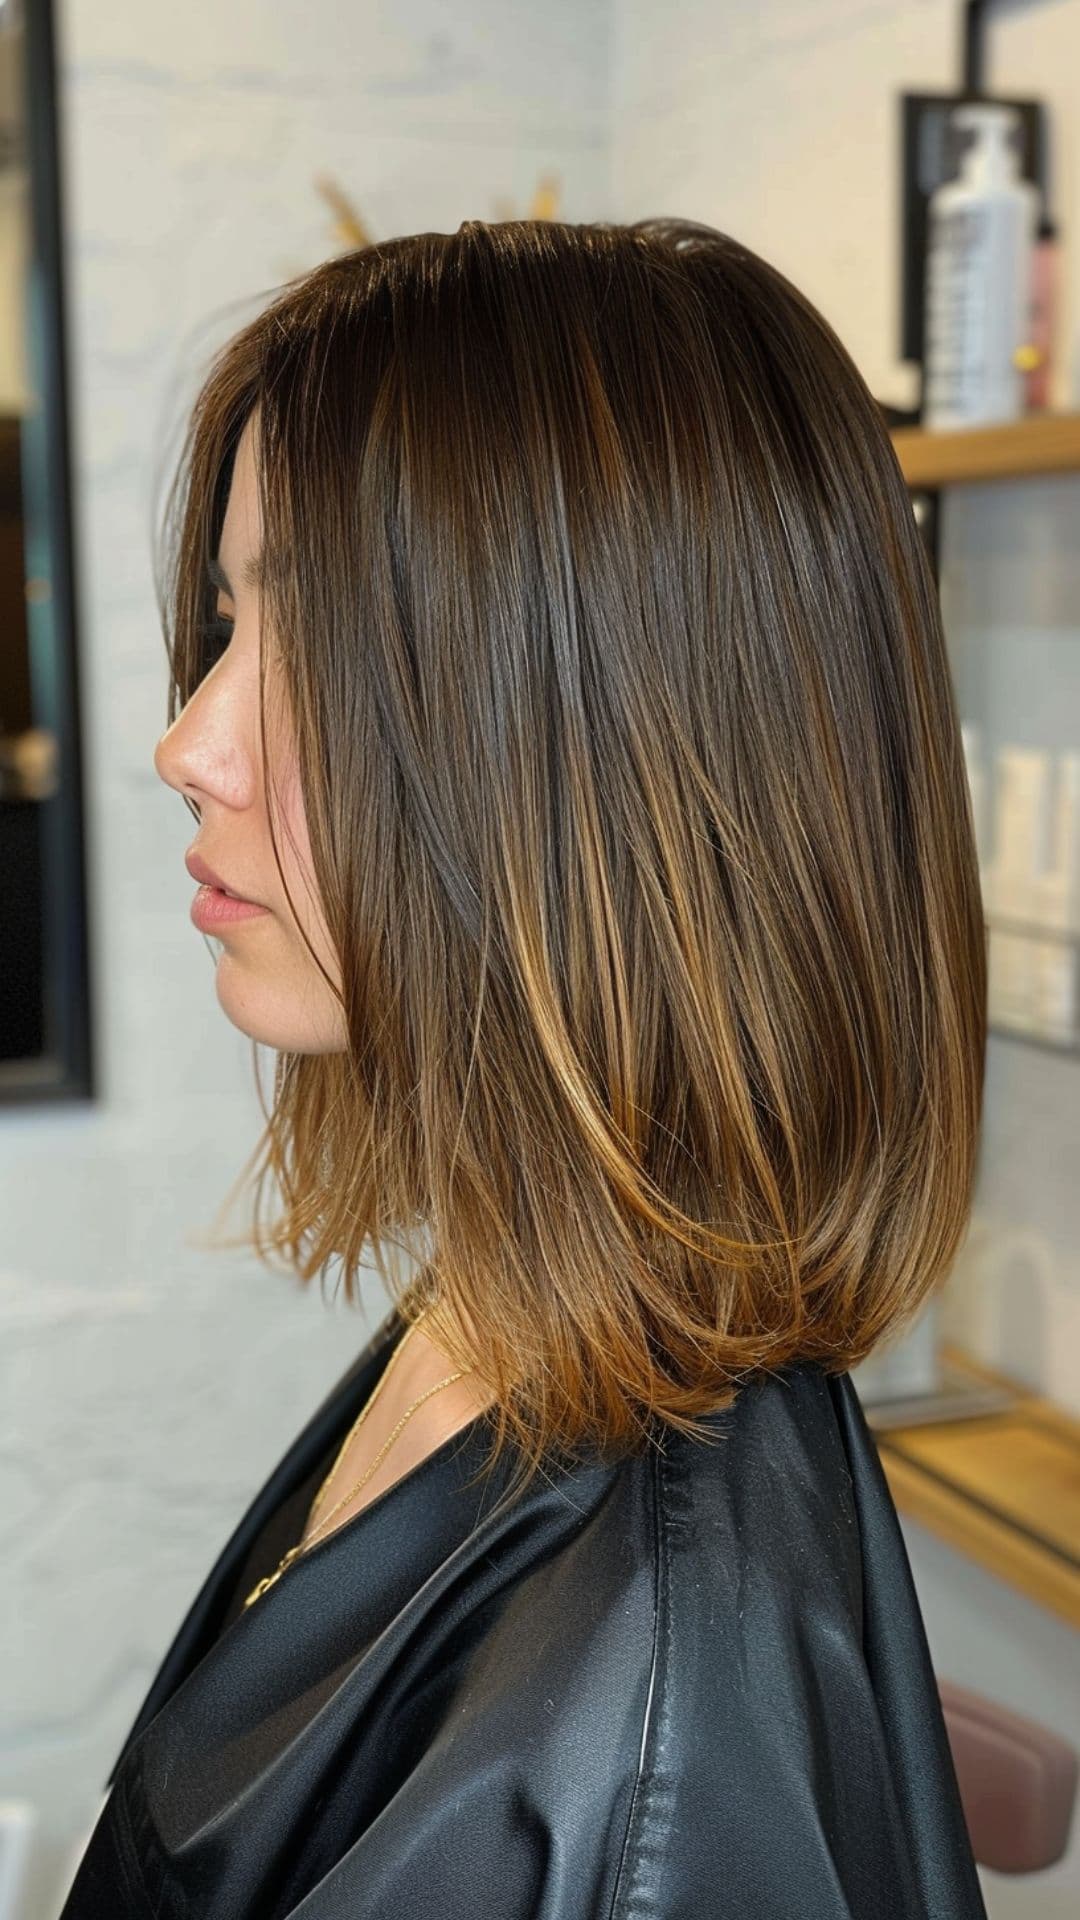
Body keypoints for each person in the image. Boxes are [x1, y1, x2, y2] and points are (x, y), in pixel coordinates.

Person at [58, 217, 989, 1919]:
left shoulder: (637, 1767)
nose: (188, 741)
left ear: (603, 742)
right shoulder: (515, 1309)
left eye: (319, 641)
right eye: (224, 624)